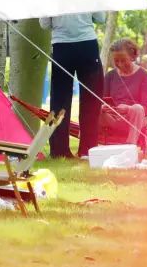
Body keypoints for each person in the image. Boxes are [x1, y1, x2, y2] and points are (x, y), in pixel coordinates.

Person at [41, 12, 105, 158]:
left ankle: (59, 151)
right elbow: (101, 19)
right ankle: (88, 150)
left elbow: (44, 24)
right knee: (91, 98)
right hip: (87, 44)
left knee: (59, 100)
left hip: (61, 46)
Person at [102, 38, 147, 147]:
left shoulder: (143, 75)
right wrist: (103, 106)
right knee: (93, 107)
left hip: (135, 121)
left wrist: (128, 109)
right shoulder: (110, 76)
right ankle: (88, 147)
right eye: (116, 61)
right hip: (113, 118)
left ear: (132, 57)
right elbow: (103, 100)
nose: (120, 64)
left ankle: (130, 146)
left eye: (123, 60)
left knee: (137, 108)